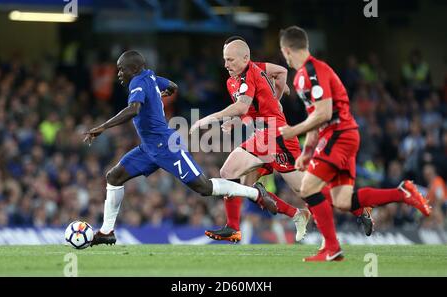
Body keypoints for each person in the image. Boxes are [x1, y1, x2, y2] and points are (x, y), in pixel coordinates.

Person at [83, 50, 278, 246]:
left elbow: (134, 109)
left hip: (166, 146)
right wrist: (163, 92)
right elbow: (173, 86)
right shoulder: (150, 76)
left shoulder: (137, 82)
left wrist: (103, 126)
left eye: (121, 69)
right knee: (114, 177)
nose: (118, 74)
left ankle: (256, 194)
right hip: (149, 148)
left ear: (133, 69)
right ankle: (107, 231)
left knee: (204, 187)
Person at [278, 26, 431, 261]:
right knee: (342, 201)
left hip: (338, 135)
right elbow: (315, 119)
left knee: (307, 188)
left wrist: (292, 131)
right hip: (343, 135)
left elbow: (324, 113)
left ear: (287, 50)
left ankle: (331, 248)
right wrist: (307, 151)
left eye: (282, 52)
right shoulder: (310, 72)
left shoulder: (309, 73)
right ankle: (402, 193)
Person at [202, 37, 373, 244]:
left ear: (245, 58)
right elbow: (252, 106)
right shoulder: (232, 82)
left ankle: (356, 207)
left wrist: (275, 99)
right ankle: (236, 227)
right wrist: (241, 118)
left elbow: (276, 77)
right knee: (235, 179)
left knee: (305, 190)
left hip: (277, 136)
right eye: (225, 60)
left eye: (230, 60)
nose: (226, 65)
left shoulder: (253, 72)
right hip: (262, 136)